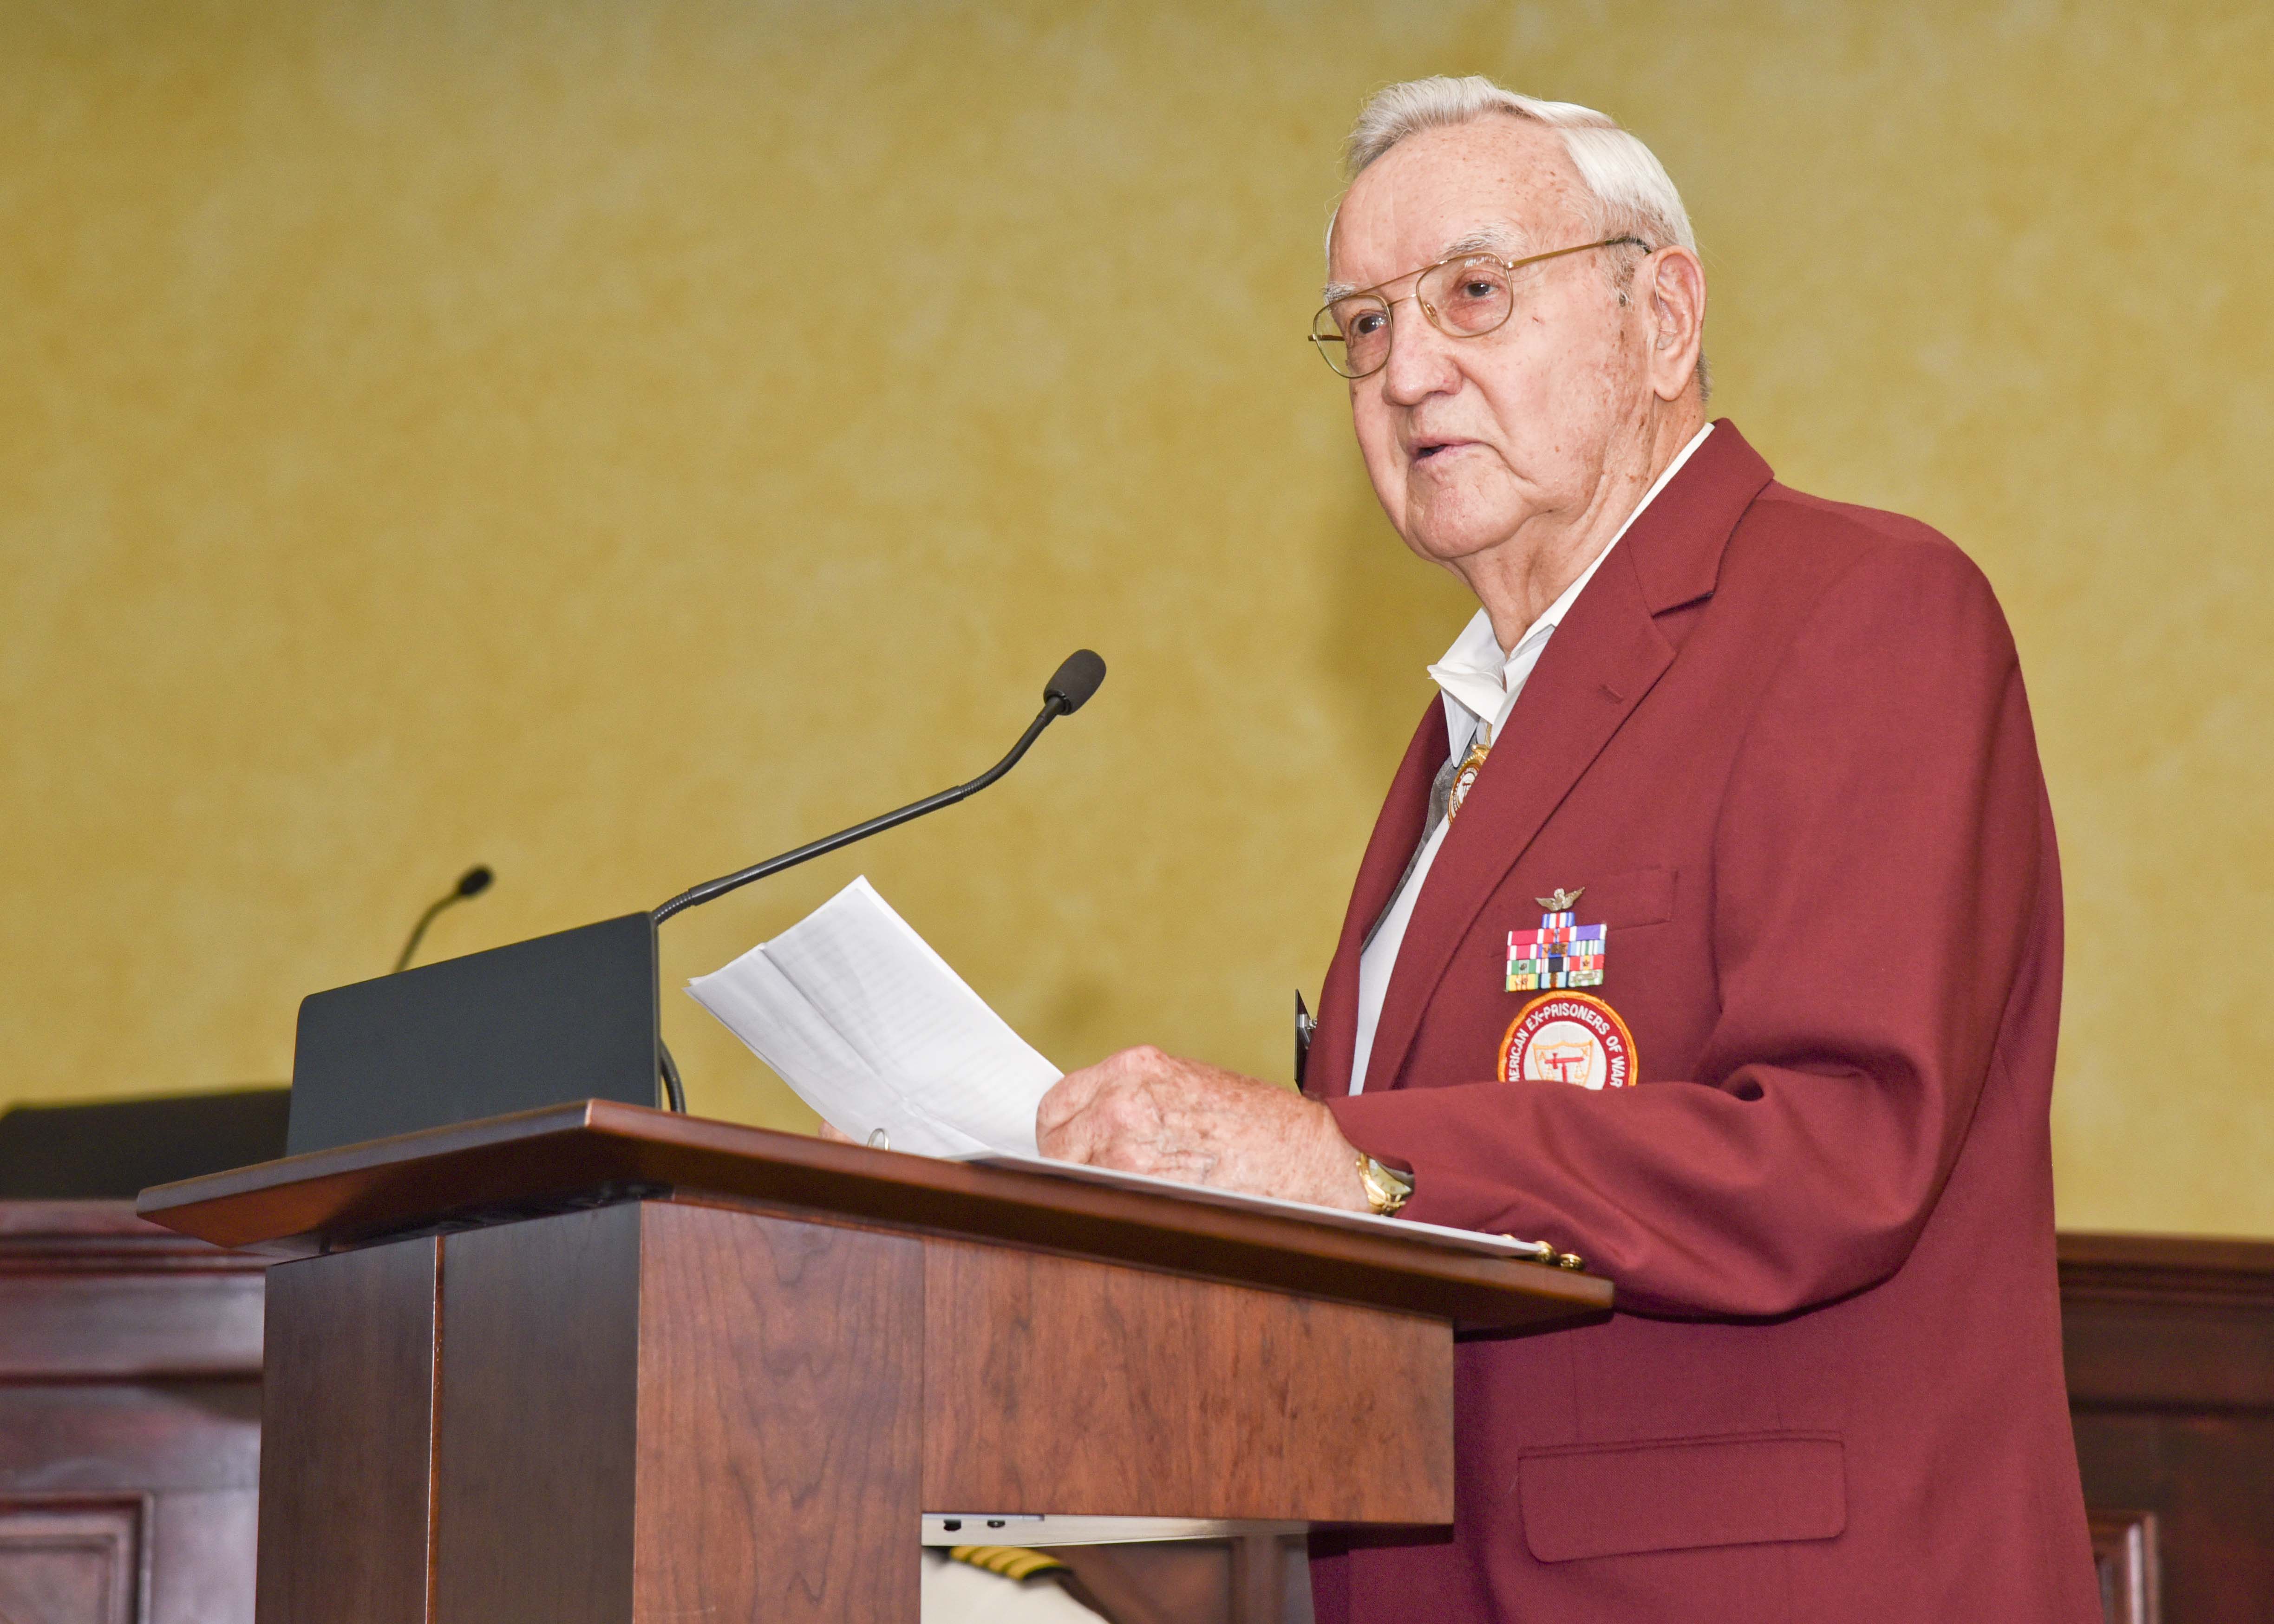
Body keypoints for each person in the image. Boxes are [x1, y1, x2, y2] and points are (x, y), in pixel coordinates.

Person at [1036, 76, 2102, 1622]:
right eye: (1366, 327)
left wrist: (1348, 1158)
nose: (1409, 373)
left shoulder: (1860, 609)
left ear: (1661, 320)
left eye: (1473, 293)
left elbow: (1844, 1145)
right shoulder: (1467, 729)